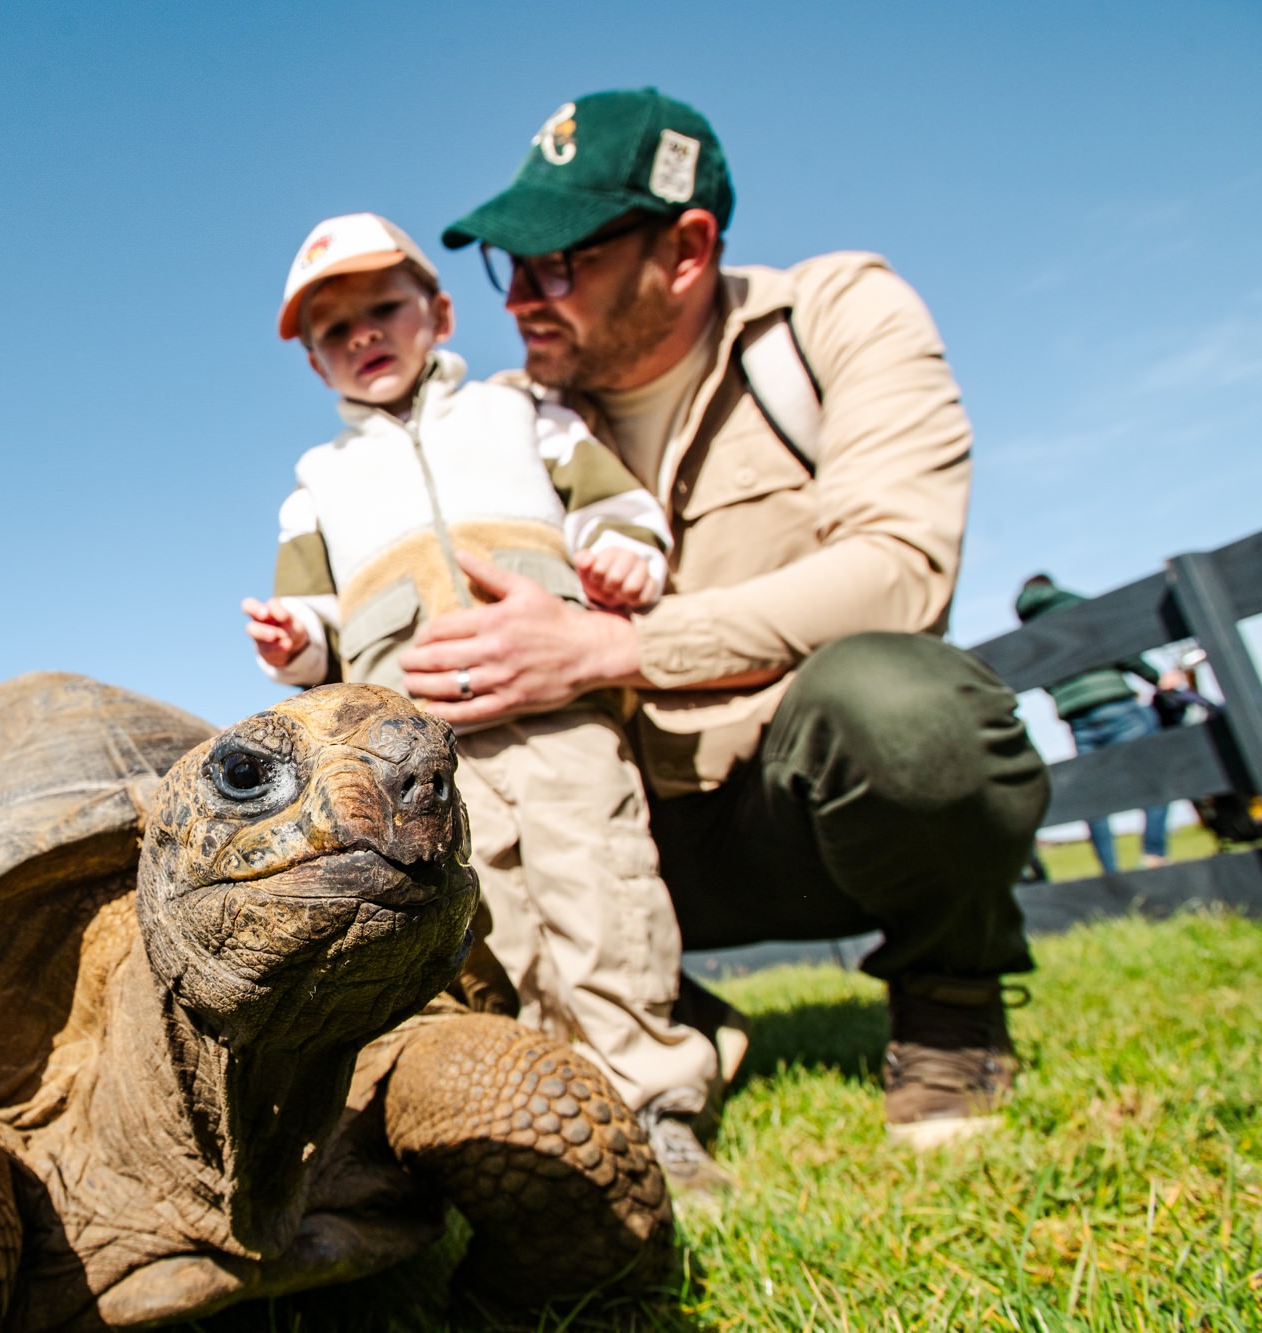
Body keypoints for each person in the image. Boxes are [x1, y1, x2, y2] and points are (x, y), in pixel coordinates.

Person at [398, 89, 1052, 1150]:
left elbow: (898, 571)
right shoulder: (508, 417)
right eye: (505, 265)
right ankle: (666, 1025)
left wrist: (617, 648)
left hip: (794, 804)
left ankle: (948, 1014)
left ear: (687, 248)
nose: (519, 298)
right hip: (610, 829)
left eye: (558, 263)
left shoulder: (833, 317)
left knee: (908, 709)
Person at [242, 211, 728, 1194]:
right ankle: (556, 1104)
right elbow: (311, 618)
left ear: (441, 311)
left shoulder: (521, 410)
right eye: (335, 331)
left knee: (601, 886)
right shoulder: (316, 485)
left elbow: (614, 501)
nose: (364, 336)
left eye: (384, 309)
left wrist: (625, 551)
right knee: (491, 918)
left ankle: (657, 1095)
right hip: (427, 743)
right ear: (312, 364)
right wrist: (294, 646)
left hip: (558, 710)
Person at [1014, 574, 1175, 872]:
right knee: (1157, 774)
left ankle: (1109, 872)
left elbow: (1040, 678)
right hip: (1116, 701)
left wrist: (1065, 694)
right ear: (1050, 585)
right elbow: (1117, 646)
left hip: (1077, 716)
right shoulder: (1075, 606)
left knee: (1094, 795)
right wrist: (1155, 677)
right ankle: (1153, 854)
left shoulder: (1028, 631)